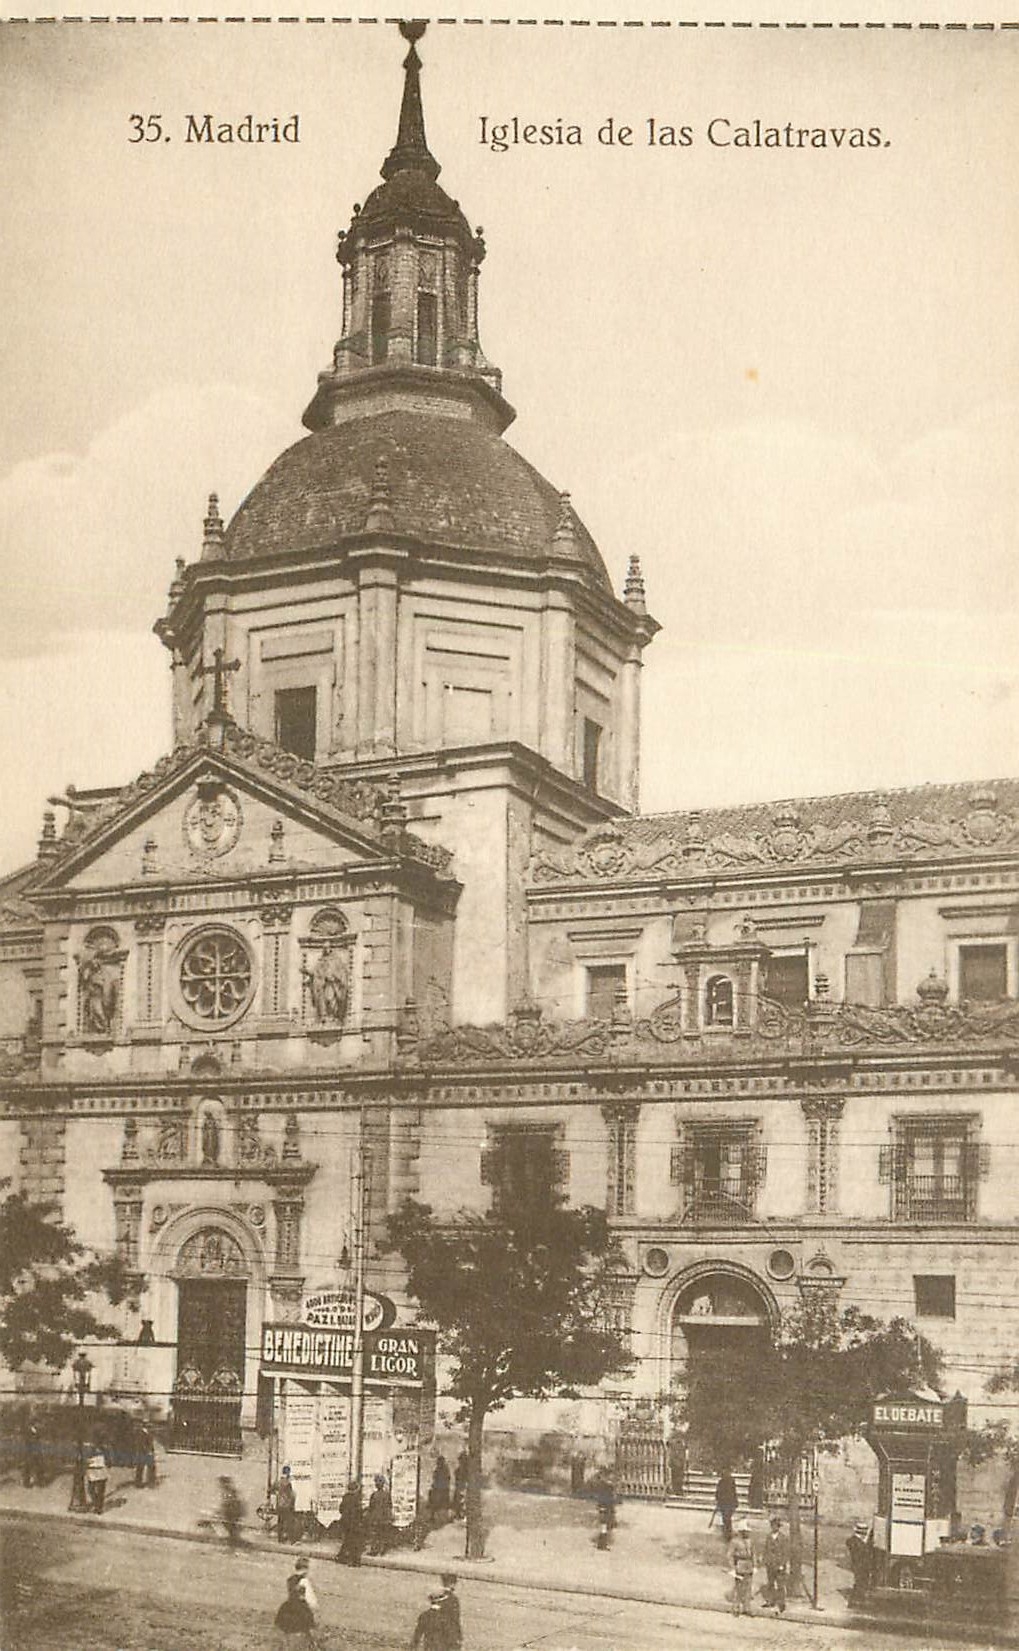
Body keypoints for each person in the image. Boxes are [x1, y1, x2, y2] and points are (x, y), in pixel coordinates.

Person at [274, 1561, 317, 1649]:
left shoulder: (290, 1579)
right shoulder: (304, 1581)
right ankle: (310, 1646)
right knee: (305, 1628)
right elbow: (309, 1597)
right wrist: (314, 1606)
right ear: (305, 1569)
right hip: (301, 1607)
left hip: (290, 1605)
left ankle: (286, 1646)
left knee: (289, 1630)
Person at [762, 1514, 789, 1612]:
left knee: (780, 1585)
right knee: (770, 1583)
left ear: (779, 1527)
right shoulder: (769, 1537)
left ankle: (782, 1603)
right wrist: (765, 1560)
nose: (774, 1527)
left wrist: (782, 1564)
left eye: (776, 1526)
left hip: (779, 1565)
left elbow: (785, 1553)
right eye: (772, 1525)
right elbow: (766, 1550)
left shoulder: (783, 1538)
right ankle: (770, 1601)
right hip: (770, 1564)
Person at [731, 1519, 755, 1616]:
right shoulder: (735, 1542)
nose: (747, 1533)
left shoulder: (750, 1541)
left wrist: (755, 1565)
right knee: (739, 1587)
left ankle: (747, 1608)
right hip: (740, 1564)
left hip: (748, 1565)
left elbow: (754, 1553)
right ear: (741, 1531)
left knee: (748, 1587)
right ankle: (736, 1607)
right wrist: (732, 1567)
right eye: (745, 1531)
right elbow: (730, 1555)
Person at [846, 1519, 874, 1603]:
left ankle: (857, 1599)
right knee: (860, 1582)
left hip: (860, 1565)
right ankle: (856, 1600)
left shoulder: (855, 1541)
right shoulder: (856, 1542)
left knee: (860, 1582)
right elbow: (863, 1551)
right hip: (860, 1565)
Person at [337, 1479, 364, 1566]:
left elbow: (341, 1509)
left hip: (345, 1522)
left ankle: (341, 1557)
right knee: (354, 1541)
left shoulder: (345, 1497)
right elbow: (359, 1511)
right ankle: (353, 1560)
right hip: (354, 1523)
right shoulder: (356, 1499)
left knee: (347, 1539)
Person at [366, 1473, 393, 1556]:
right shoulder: (387, 1494)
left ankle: (374, 1550)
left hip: (376, 1518)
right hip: (385, 1518)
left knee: (375, 1534)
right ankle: (382, 1550)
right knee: (383, 1534)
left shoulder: (374, 1495)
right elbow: (390, 1505)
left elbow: (371, 1507)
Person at [435, 1574, 462, 1651]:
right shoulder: (454, 1599)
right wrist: (458, 1635)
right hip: (449, 1633)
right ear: (452, 1584)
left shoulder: (438, 1598)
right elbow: (455, 1619)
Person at [592, 1471, 617, 1550]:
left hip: (605, 1507)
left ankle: (602, 1543)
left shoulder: (603, 1485)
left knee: (605, 1525)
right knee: (605, 1525)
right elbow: (607, 1498)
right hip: (606, 1507)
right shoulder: (606, 1486)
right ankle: (602, 1544)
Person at [219, 1475, 246, 1547]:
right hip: (232, 1511)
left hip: (233, 1511)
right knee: (230, 1526)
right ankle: (234, 1538)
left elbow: (234, 1502)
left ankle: (234, 1539)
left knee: (231, 1525)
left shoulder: (231, 1491)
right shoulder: (228, 1491)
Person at [714, 1469, 738, 1542]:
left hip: (727, 1503)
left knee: (726, 1518)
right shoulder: (724, 1482)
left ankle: (728, 1533)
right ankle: (727, 1533)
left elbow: (733, 1492)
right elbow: (718, 1494)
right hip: (726, 1503)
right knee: (726, 1518)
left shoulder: (723, 1482)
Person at [85, 1442, 109, 1515]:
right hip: (94, 1472)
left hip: (99, 1472)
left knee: (98, 1491)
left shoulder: (103, 1450)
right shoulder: (90, 1450)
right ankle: (98, 1506)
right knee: (92, 1490)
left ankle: (98, 1507)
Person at [276, 1465, 298, 1545]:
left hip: (280, 1504)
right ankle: (291, 1540)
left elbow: (273, 1489)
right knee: (290, 1522)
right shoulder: (288, 1482)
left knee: (280, 1522)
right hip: (287, 1505)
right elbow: (291, 1494)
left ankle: (280, 1539)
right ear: (288, 1472)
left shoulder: (279, 1481)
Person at [20, 1411, 41, 1489]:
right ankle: (26, 1482)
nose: (37, 1424)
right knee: (27, 1466)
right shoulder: (28, 1430)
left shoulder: (36, 1430)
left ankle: (36, 1481)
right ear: (33, 1423)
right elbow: (27, 1440)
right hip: (29, 1450)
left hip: (35, 1450)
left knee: (35, 1465)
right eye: (36, 1423)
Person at [428, 1455, 451, 1527]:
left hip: (441, 1489)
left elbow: (445, 1479)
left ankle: (443, 1518)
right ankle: (433, 1517)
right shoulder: (440, 1469)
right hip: (440, 1488)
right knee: (436, 1503)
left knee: (441, 1504)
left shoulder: (443, 1469)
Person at [134, 1420, 157, 1489]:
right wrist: (148, 1451)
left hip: (147, 1453)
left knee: (151, 1467)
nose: (150, 1426)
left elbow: (150, 1443)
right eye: (148, 1425)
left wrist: (152, 1451)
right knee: (140, 1468)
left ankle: (150, 1482)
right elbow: (142, 1444)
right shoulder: (141, 1433)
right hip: (143, 1453)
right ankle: (139, 1483)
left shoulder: (148, 1433)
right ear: (145, 1426)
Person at [452, 1451, 469, 1520]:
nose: (460, 1462)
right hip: (459, 1487)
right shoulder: (458, 1470)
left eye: (462, 1460)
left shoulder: (467, 1470)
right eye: (460, 1461)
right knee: (457, 1500)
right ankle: (458, 1513)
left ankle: (463, 1514)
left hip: (464, 1487)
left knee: (463, 1500)